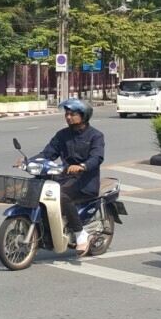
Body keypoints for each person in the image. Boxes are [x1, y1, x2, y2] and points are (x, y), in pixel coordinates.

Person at [20, 98, 105, 256]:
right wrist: (28, 161)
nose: (68, 117)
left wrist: (82, 166)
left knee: (61, 196)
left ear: (84, 116)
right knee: (36, 189)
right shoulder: (62, 135)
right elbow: (47, 153)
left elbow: (97, 158)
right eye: (66, 114)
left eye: (72, 114)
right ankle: (43, 233)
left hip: (85, 181)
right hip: (64, 177)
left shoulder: (96, 136)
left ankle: (81, 235)